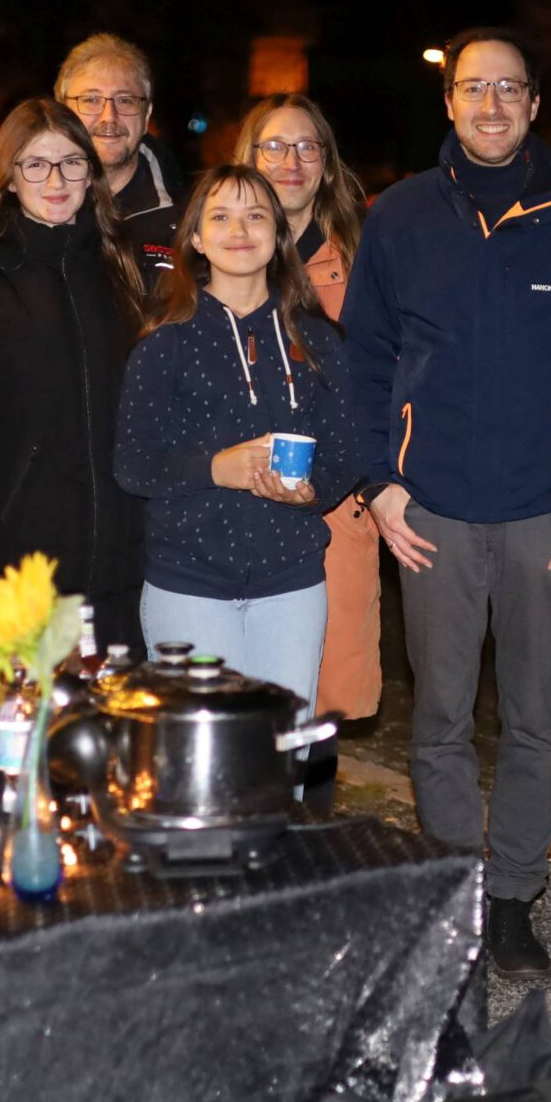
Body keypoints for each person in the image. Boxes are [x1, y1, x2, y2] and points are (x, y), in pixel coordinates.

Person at [340, 27, 551, 979]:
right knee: (442, 716)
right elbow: (364, 359)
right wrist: (380, 487)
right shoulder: (401, 215)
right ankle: (459, 889)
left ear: (536, 106)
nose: (492, 105)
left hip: (547, 512)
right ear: (451, 101)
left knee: (538, 721)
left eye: (510, 89)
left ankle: (512, 899)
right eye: (475, 88)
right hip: (431, 514)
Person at [114, 166, 360, 711]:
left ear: (278, 237)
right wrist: (214, 469)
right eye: (220, 216)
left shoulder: (317, 339)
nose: (240, 230)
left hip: (292, 584)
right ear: (196, 238)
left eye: (255, 216)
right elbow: (133, 464)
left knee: (282, 758)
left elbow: (346, 450)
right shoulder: (163, 341)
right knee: (201, 762)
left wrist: (314, 491)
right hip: (188, 586)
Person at [0, 100, 148, 650]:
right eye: (35, 164)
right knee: (33, 729)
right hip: (18, 562)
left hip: (123, 559)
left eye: (71, 162)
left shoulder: (121, 265)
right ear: (9, 178)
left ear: (91, 173)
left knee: (114, 727)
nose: (56, 180)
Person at [233, 94, 380, 725]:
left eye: (306, 147)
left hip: (334, 497)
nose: (290, 161)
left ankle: (310, 823)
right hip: (237, 494)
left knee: (326, 693)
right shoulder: (219, 246)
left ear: (326, 160)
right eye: (274, 146)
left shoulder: (363, 250)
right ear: (250, 156)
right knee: (242, 686)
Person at [55, 33, 185, 286]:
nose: (109, 117)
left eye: (126, 100)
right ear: (60, 112)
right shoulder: (15, 208)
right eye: (91, 100)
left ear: (146, 115)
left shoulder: (186, 226)